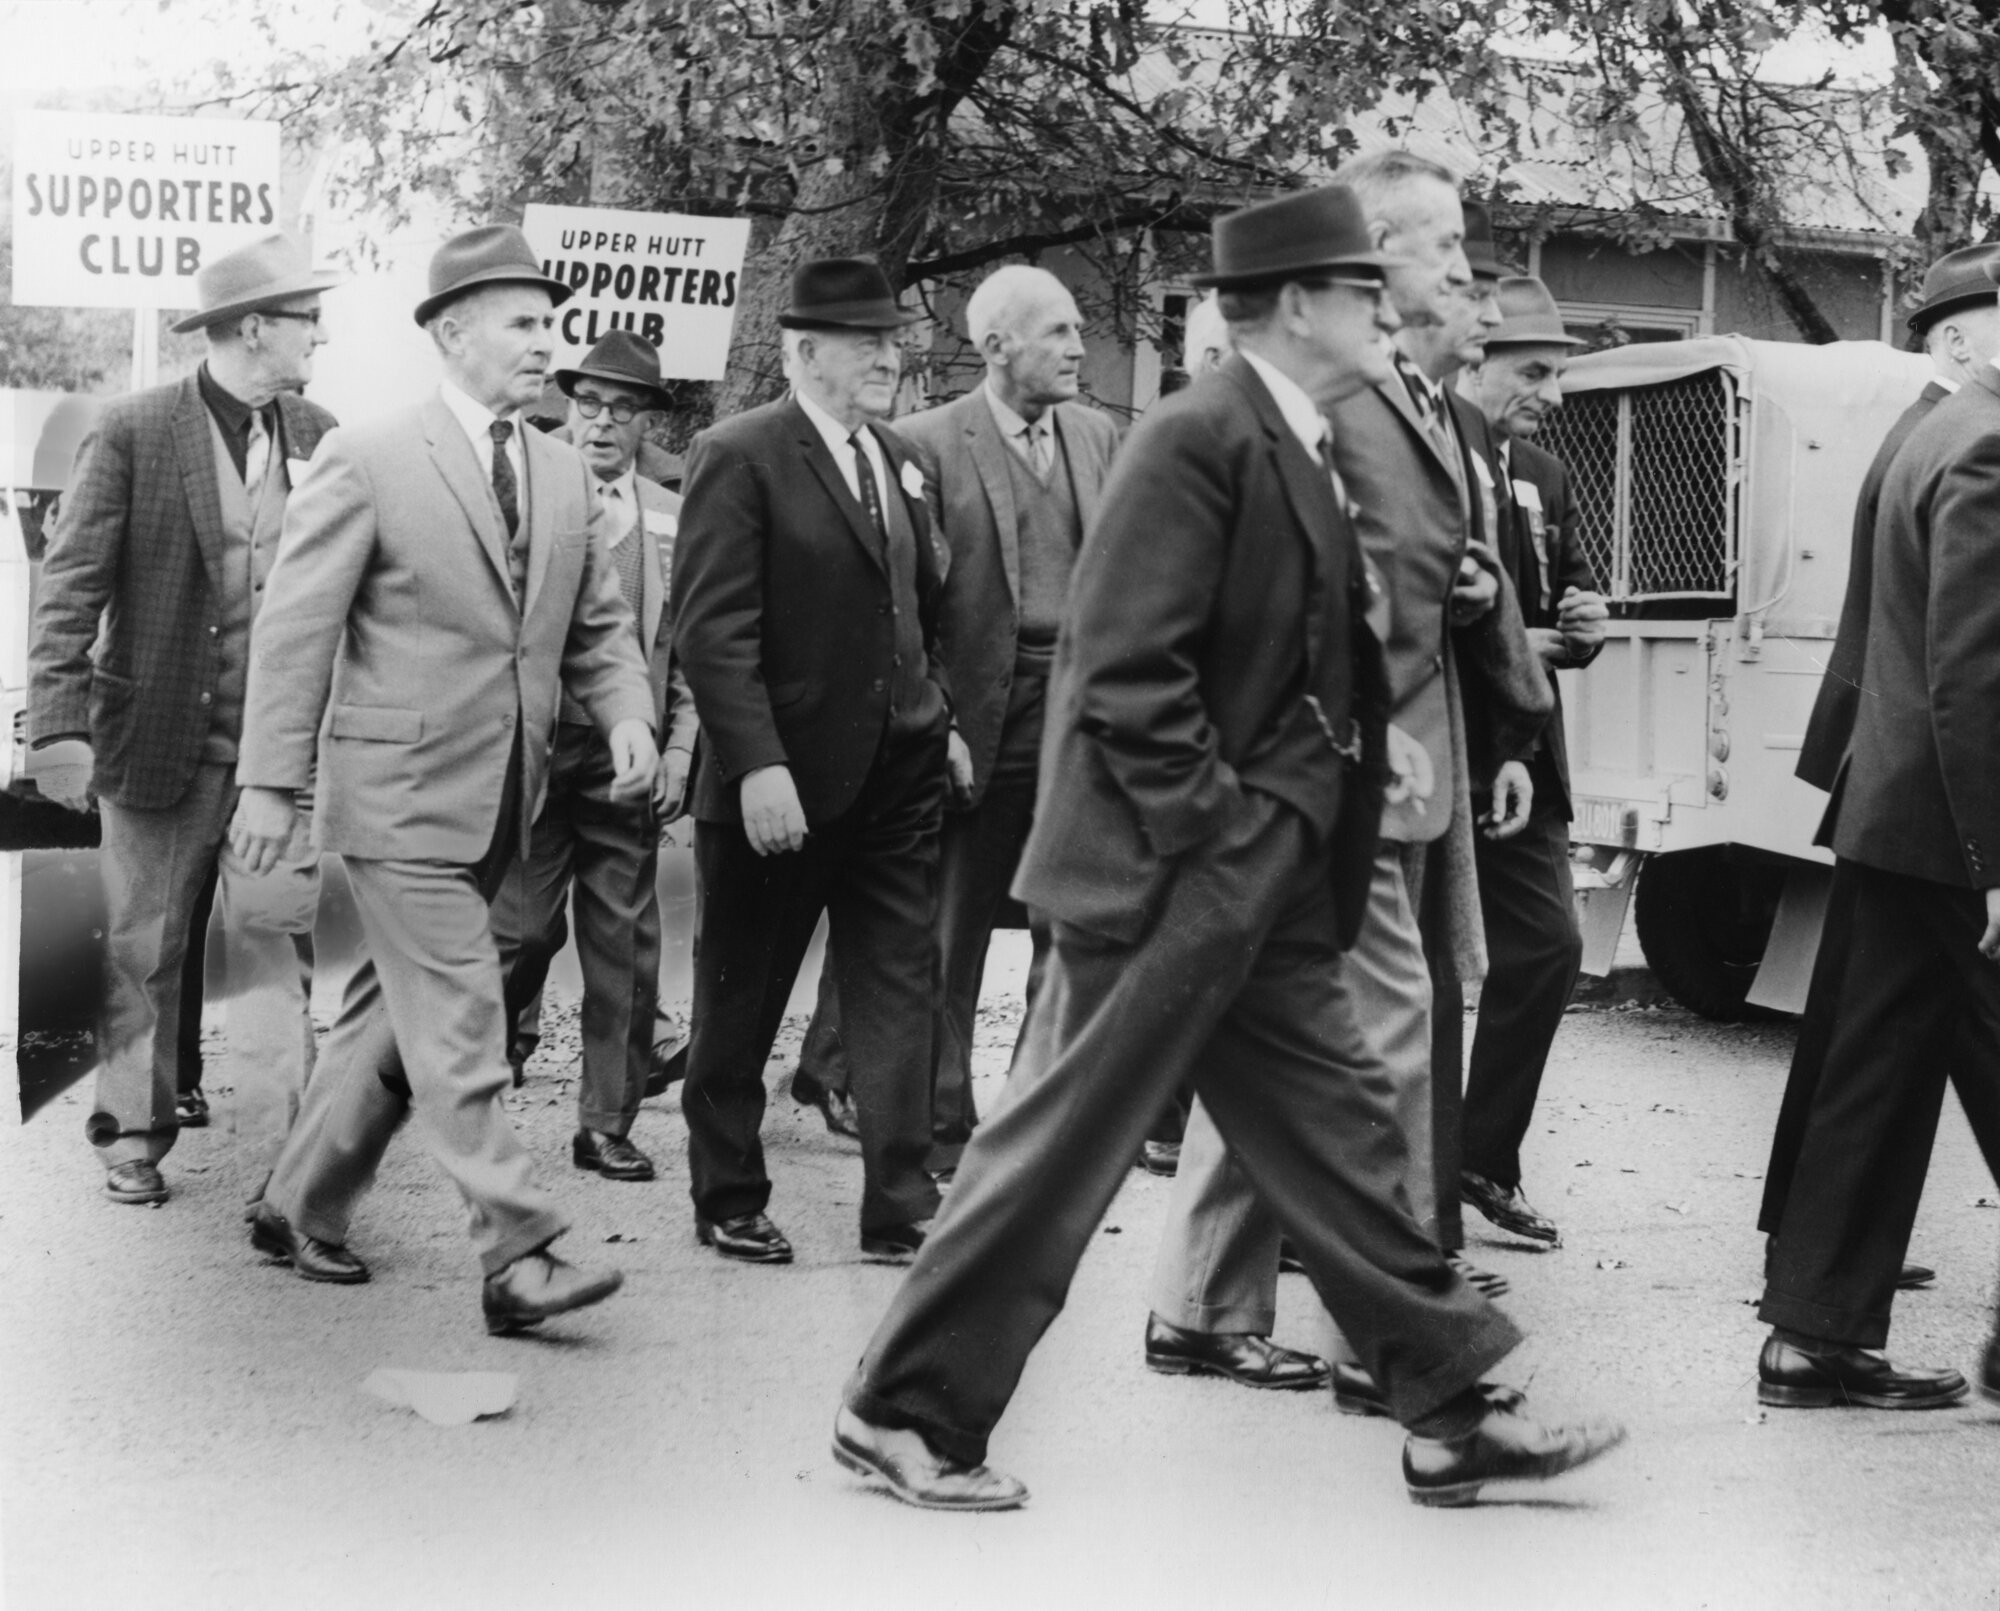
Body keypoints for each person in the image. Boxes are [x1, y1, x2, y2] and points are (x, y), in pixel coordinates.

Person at [834, 184, 1623, 1513]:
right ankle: (901, 1411)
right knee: (1053, 1156)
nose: (1390, 311)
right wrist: (1224, 833)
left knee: (1341, 1141)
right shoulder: (1198, 437)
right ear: (1303, 304)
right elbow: (1128, 676)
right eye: (1366, 292)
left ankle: (1447, 1408)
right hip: (1162, 882)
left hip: (1254, 887)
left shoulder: (1292, 433)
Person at [1139, 168, 1549, 1399]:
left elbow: (1402, 563)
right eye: (1448, 249)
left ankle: (1204, 1305)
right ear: (1377, 252)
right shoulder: (1338, 397)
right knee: (1382, 1041)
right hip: (1351, 766)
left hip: (1391, 760)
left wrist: (1471, 593)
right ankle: (1405, 1339)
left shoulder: (1412, 398)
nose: (1463, 274)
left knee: (1290, 1042)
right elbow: (1318, 588)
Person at [233, 224, 657, 1336]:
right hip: (397, 798)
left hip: (505, 798)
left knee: (392, 1016)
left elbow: (597, 627)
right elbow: (295, 629)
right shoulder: (368, 457)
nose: (543, 345)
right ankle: (516, 1253)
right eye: (523, 324)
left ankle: (294, 1204)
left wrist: (626, 714)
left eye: (548, 324)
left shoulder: (561, 471)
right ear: (452, 332)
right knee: (465, 1012)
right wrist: (271, 785)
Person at [27, 232, 343, 1207]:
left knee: (273, 944)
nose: (316, 339)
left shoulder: (319, 433)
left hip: (274, 757)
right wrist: (58, 728)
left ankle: (292, 1159)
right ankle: (132, 1132)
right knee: (144, 947)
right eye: (304, 321)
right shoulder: (133, 431)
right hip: (154, 737)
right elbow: (69, 589)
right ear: (253, 328)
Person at [789, 265, 1120, 1173]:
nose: (1079, 348)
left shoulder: (1098, 436)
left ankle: (1035, 1115)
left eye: (1078, 329)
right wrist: (939, 725)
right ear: (996, 345)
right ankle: (937, 1120)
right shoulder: (925, 442)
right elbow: (906, 600)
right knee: (951, 922)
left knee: (1073, 923)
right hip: (976, 716)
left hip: (1079, 724)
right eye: (1057, 331)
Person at [1751, 258, 2000, 1413]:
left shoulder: (1939, 430)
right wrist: (1993, 860)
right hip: (1944, 823)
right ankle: (1813, 1336)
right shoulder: (1986, 445)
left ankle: (1815, 1335)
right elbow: (1972, 677)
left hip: (1896, 810)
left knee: (1875, 1074)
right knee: (1878, 1075)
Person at [670, 258, 951, 1266]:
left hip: (894, 781)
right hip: (777, 786)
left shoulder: (900, 460)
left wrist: (938, 714)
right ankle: (728, 1193)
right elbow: (712, 629)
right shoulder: (738, 455)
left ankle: (899, 1205)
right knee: (741, 997)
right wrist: (755, 766)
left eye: (892, 340)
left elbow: (919, 607)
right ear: (802, 352)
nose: (889, 357)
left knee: (895, 992)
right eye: (865, 342)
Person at [489, 330, 697, 1185]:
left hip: (631, 755)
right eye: (588, 403)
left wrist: (680, 744)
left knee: (624, 943)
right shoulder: (526, 492)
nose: (603, 422)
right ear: (564, 406)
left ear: (646, 421)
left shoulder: (672, 513)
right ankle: (462, 1075)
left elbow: (685, 645)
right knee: (520, 930)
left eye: (623, 407)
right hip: (536, 750)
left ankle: (606, 1122)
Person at [1455, 275, 1607, 1248]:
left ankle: (1478, 1158)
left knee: (1547, 947)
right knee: (1412, 983)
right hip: (1444, 743)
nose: (1549, 394)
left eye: (1554, 375)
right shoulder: (1433, 450)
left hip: (1523, 752)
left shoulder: (1543, 474)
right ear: (1475, 358)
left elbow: (1572, 597)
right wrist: (1537, 639)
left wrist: (1580, 627)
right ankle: (1369, 1205)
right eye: (1533, 371)